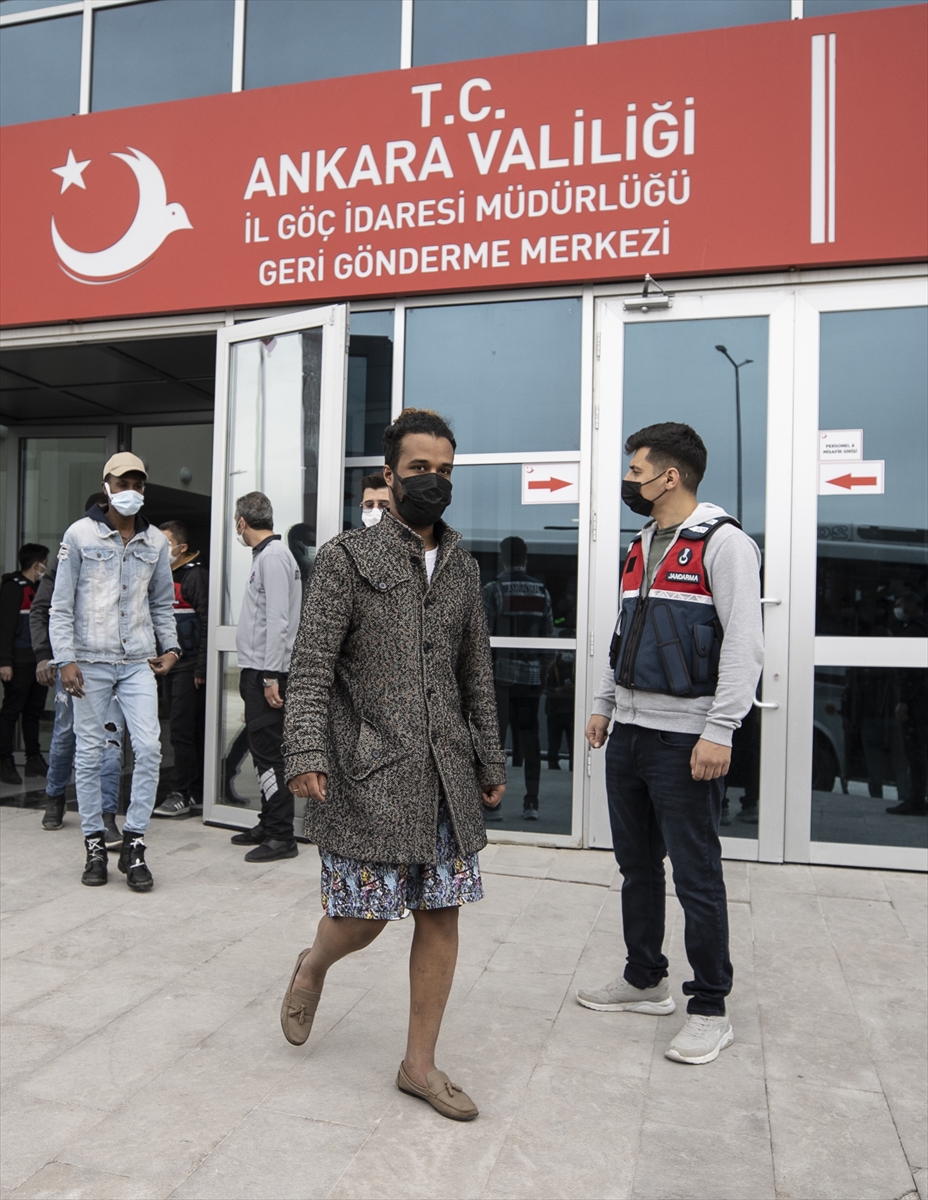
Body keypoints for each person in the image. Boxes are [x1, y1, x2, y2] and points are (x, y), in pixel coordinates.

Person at [281, 408, 506, 1121]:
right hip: (371, 770)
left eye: (444, 470)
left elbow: (476, 672)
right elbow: (312, 666)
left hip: (446, 773)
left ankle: (419, 1065)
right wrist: (306, 750)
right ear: (390, 474)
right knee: (363, 919)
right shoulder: (348, 558)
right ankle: (313, 964)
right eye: (419, 469)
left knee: (440, 915)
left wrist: (489, 757)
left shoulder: (464, 566)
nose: (434, 481)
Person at [579, 422, 763, 1066]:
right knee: (636, 867)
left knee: (696, 876)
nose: (629, 480)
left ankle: (710, 1008)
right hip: (629, 735)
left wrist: (720, 729)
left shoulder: (725, 544)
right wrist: (604, 704)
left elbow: (744, 644)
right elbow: (624, 633)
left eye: (636, 471)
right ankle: (644, 980)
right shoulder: (641, 543)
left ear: (670, 476)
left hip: (686, 740)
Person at [49, 453, 181, 890]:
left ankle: (134, 844)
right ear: (106, 485)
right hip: (89, 661)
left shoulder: (155, 542)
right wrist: (65, 659)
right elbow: (60, 606)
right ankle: (94, 845)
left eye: (138, 484)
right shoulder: (79, 535)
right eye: (124, 483)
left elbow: (161, 603)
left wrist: (172, 648)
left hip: (138, 661)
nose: (131, 491)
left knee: (149, 748)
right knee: (91, 753)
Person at [30, 494, 124, 840]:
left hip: (119, 666)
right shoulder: (71, 552)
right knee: (65, 735)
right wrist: (45, 655)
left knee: (111, 740)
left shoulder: (133, 553)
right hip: (75, 665)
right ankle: (55, 796)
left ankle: (107, 815)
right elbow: (43, 609)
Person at [229, 491, 302, 862]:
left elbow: (278, 622)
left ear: (242, 521)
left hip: (266, 673)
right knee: (262, 753)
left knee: (270, 755)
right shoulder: (268, 555)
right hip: (259, 671)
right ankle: (268, 821)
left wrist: (272, 676)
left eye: (236, 523)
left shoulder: (272, 557)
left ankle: (280, 836)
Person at [482, 536, 554, 820]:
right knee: (530, 740)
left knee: (495, 741)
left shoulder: (494, 589)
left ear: (502, 558)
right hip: (531, 677)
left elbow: (483, 637)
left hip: (501, 677)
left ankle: (493, 806)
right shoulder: (541, 591)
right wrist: (543, 673)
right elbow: (549, 636)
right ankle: (531, 803)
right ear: (526, 558)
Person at [152, 521, 209, 819]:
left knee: (182, 731)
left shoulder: (194, 575)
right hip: (167, 666)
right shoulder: (160, 575)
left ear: (181, 548)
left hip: (189, 668)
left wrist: (202, 667)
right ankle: (196, 790)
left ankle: (181, 793)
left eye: (165, 544)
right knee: (182, 730)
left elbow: (208, 622)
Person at [0, 543, 49, 785]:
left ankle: (33, 759)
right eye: (45, 563)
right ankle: (4, 761)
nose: (46, 568)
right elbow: (5, 627)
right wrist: (4, 662)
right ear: (36, 564)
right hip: (18, 661)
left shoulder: (38, 589)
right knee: (11, 712)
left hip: (37, 661)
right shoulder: (13, 588)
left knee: (33, 712)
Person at [888, 591, 928, 816]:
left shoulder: (914, 631)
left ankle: (916, 799)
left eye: (900, 603)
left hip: (917, 702)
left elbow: (911, 671)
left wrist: (904, 701)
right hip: (922, 699)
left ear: (912, 605)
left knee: (916, 751)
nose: (897, 608)